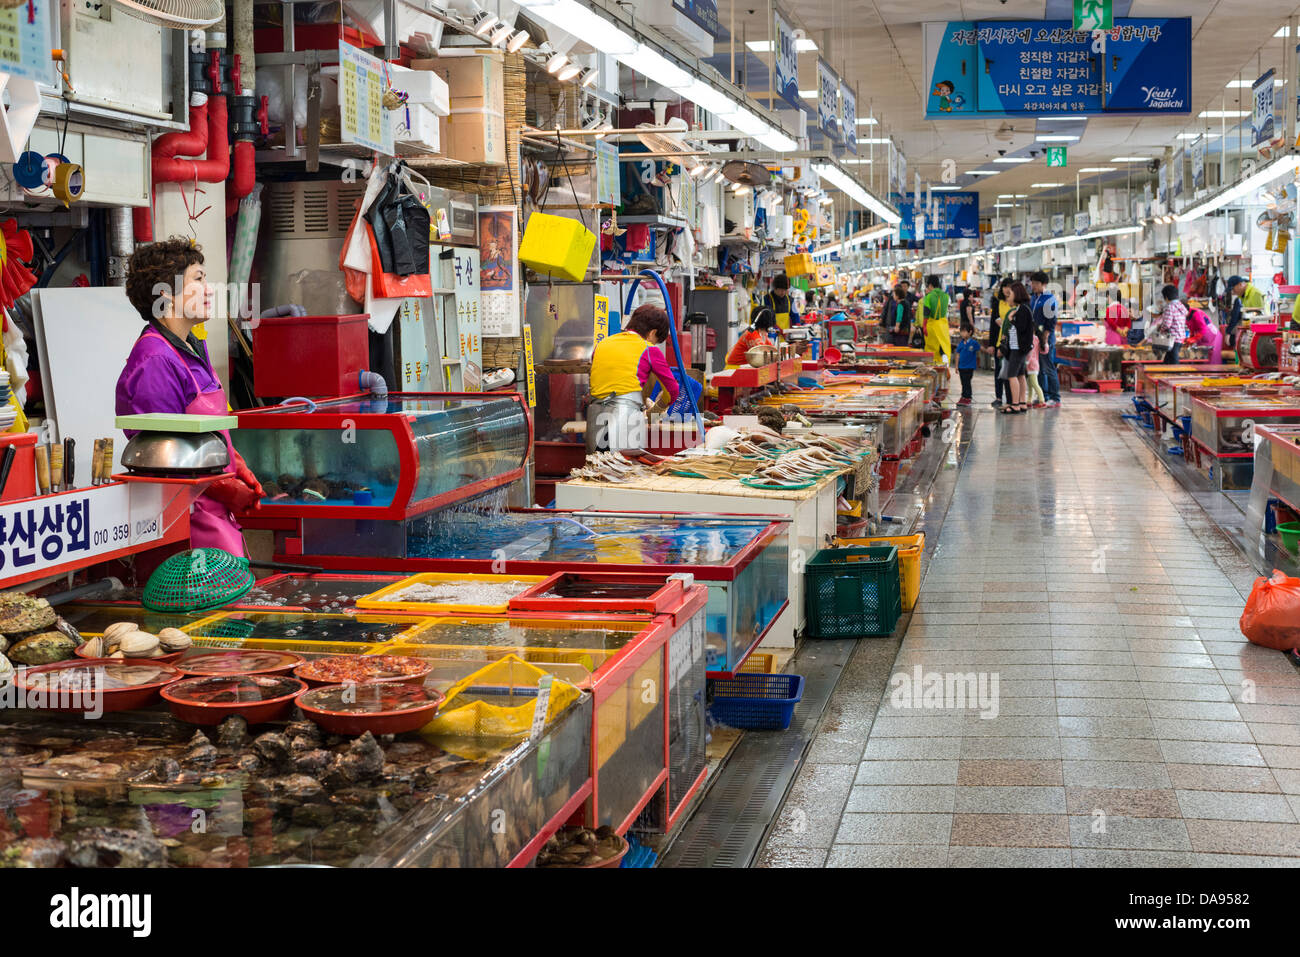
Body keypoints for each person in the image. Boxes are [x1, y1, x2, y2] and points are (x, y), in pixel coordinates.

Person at [116, 238, 262, 557]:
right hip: (187, 527)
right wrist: (227, 488)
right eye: (198, 279)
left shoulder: (193, 347)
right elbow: (164, 459)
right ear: (165, 295)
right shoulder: (155, 360)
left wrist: (238, 469)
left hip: (215, 512)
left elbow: (207, 431)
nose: (210, 290)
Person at [587, 304, 680, 452]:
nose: (654, 344)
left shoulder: (602, 344)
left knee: (596, 469)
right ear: (652, 333)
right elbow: (673, 390)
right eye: (655, 340)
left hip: (595, 416)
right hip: (625, 417)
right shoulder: (649, 349)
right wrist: (655, 411)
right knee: (626, 470)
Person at [999, 281, 1034, 414]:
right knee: (1020, 375)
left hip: (1018, 348)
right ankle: (1022, 402)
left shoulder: (1022, 310)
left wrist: (1011, 318)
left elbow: (1021, 328)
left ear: (1017, 294)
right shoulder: (1022, 308)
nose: (1009, 297)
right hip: (1019, 347)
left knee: (1011, 375)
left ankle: (1015, 404)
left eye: (1010, 294)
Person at [1029, 271, 1060, 408]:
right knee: (1039, 369)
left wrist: (1045, 338)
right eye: (1032, 283)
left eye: (1036, 283)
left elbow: (1051, 321)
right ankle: (1044, 395)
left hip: (1045, 339)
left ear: (1044, 284)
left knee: (1048, 367)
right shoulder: (1033, 298)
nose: (1033, 286)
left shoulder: (1049, 299)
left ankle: (1055, 398)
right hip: (1035, 339)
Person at [1148, 284, 1189, 364]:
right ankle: (1165, 373)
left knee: (1174, 362)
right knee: (1167, 361)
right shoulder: (1181, 306)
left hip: (1172, 339)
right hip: (1181, 338)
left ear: (1166, 297)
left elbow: (1167, 324)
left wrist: (1161, 329)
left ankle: (1177, 376)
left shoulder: (1170, 307)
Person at [919, 275, 953, 369]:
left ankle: (933, 371)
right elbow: (946, 312)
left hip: (932, 325)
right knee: (944, 348)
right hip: (943, 325)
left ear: (930, 285)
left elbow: (926, 312)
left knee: (932, 351)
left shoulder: (929, 297)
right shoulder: (946, 296)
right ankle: (945, 369)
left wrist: (924, 326)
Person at [1224, 275, 1262, 346]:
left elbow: (1261, 317)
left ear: (1240, 284)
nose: (1233, 292)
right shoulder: (1242, 297)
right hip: (1250, 333)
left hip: (1258, 335)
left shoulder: (1255, 294)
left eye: (1233, 289)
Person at [954, 325, 980, 406]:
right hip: (961, 367)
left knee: (967, 382)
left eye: (964, 331)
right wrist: (956, 366)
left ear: (970, 332)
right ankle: (963, 396)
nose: (962, 333)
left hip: (969, 367)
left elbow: (979, 350)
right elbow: (957, 354)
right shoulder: (961, 343)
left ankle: (968, 397)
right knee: (963, 382)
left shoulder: (973, 343)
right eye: (961, 331)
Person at [1025, 329, 1046, 408]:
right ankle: (1029, 401)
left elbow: (1030, 352)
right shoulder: (1037, 339)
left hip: (1031, 364)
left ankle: (1042, 400)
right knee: (1030, 384)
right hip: (1034, 364)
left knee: (1034, 384)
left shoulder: (1032, 339)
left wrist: (1026, 362)